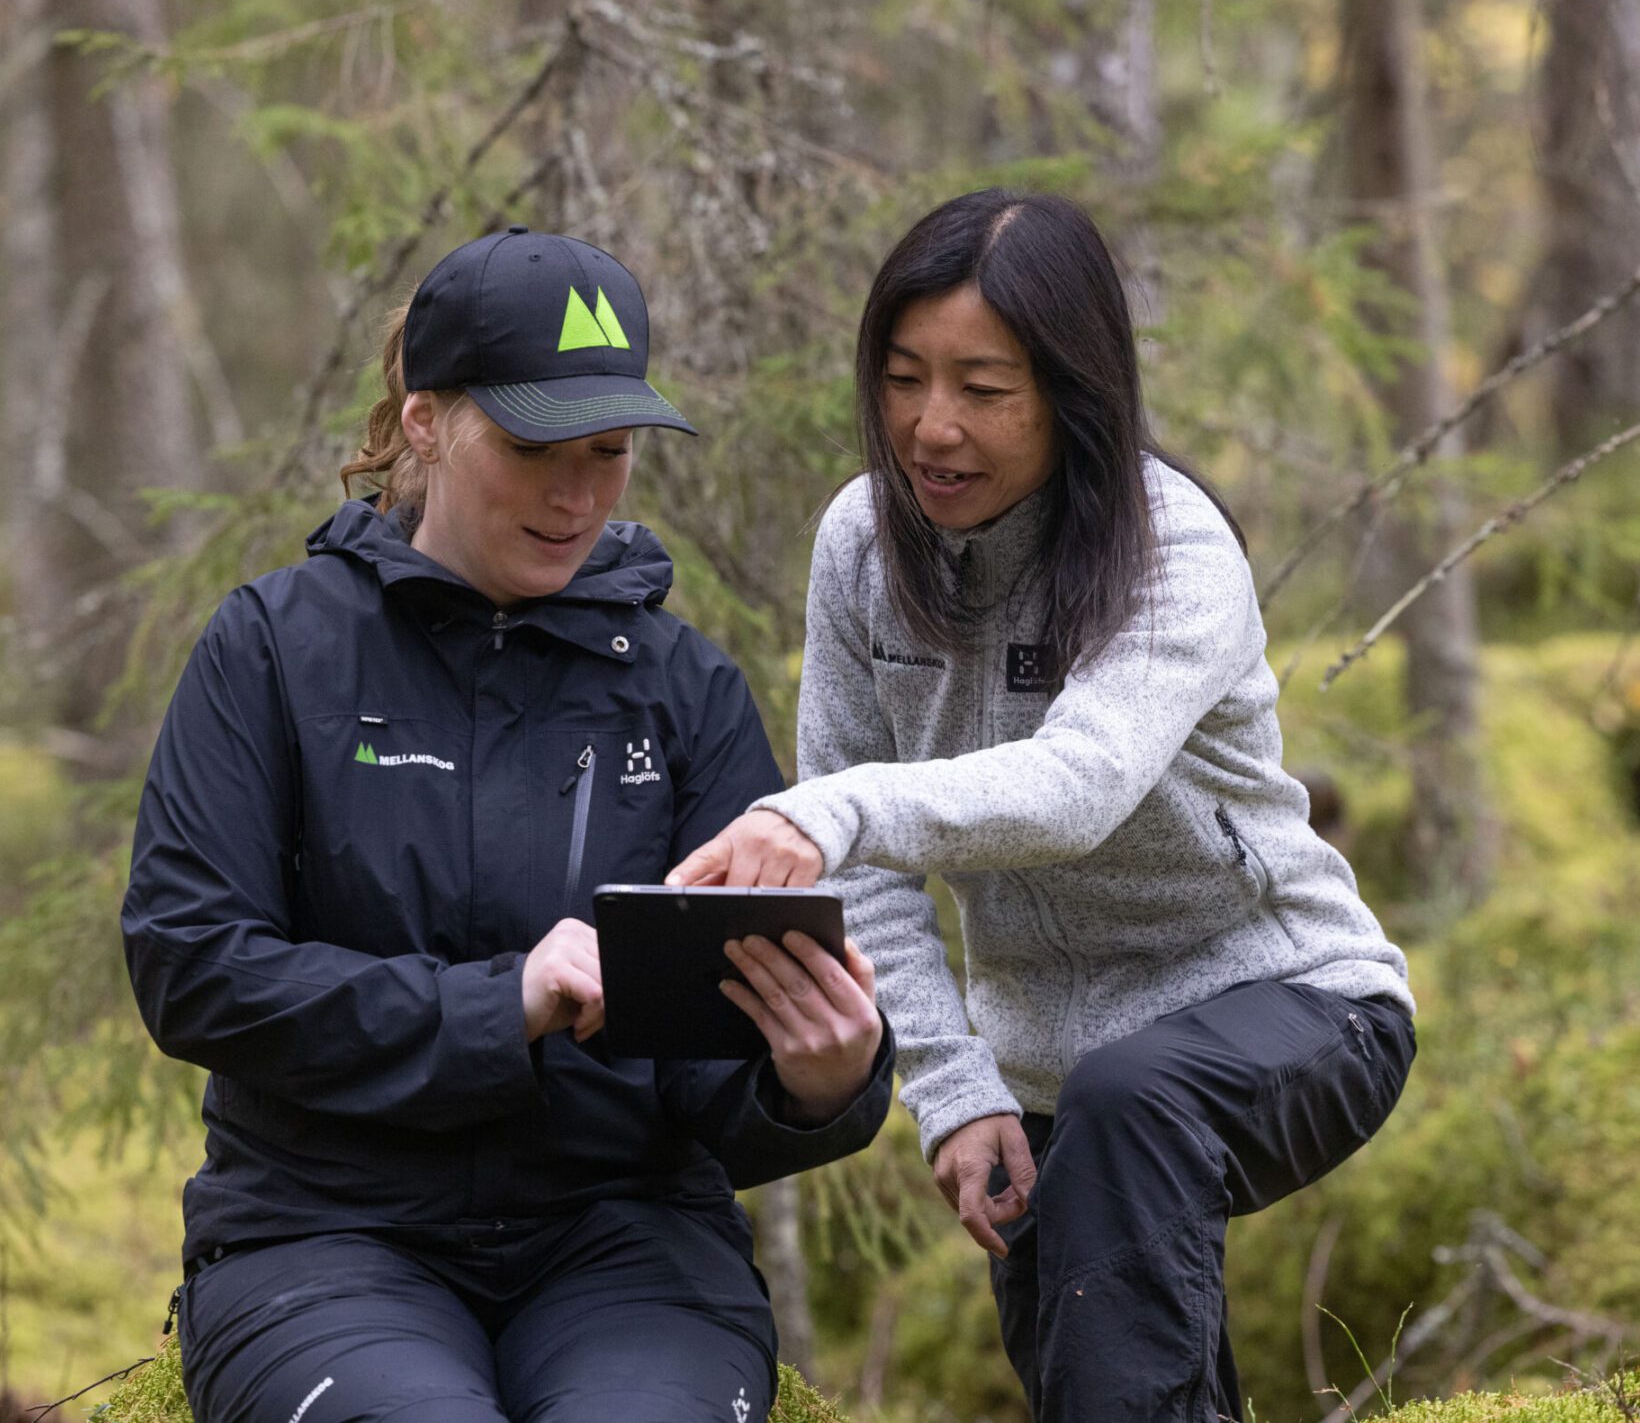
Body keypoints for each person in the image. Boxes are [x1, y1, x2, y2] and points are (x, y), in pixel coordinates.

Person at [121, 227, 892, 1423]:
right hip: (322, 1238)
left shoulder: (681, 690)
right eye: (535, 445)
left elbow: (711, 1072)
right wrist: (500, 1004)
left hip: (629, 1254)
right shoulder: (274, 650)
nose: (577, 492)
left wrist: (817, 1082)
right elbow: (192, 967)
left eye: (610, 450)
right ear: (425, 419)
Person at [668, 190, 1416, 1421]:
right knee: (1093, 1359)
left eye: (984, 388)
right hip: (1051, 1078)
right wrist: (958, 1093)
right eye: (905, 379)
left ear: (1072, 391)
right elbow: (868, 884)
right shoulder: (862, 545)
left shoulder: (1171, 546)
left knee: (1135, 1106)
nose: (933, 427)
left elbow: (1076, 790)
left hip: (1294, 1002)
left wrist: (835, 807)